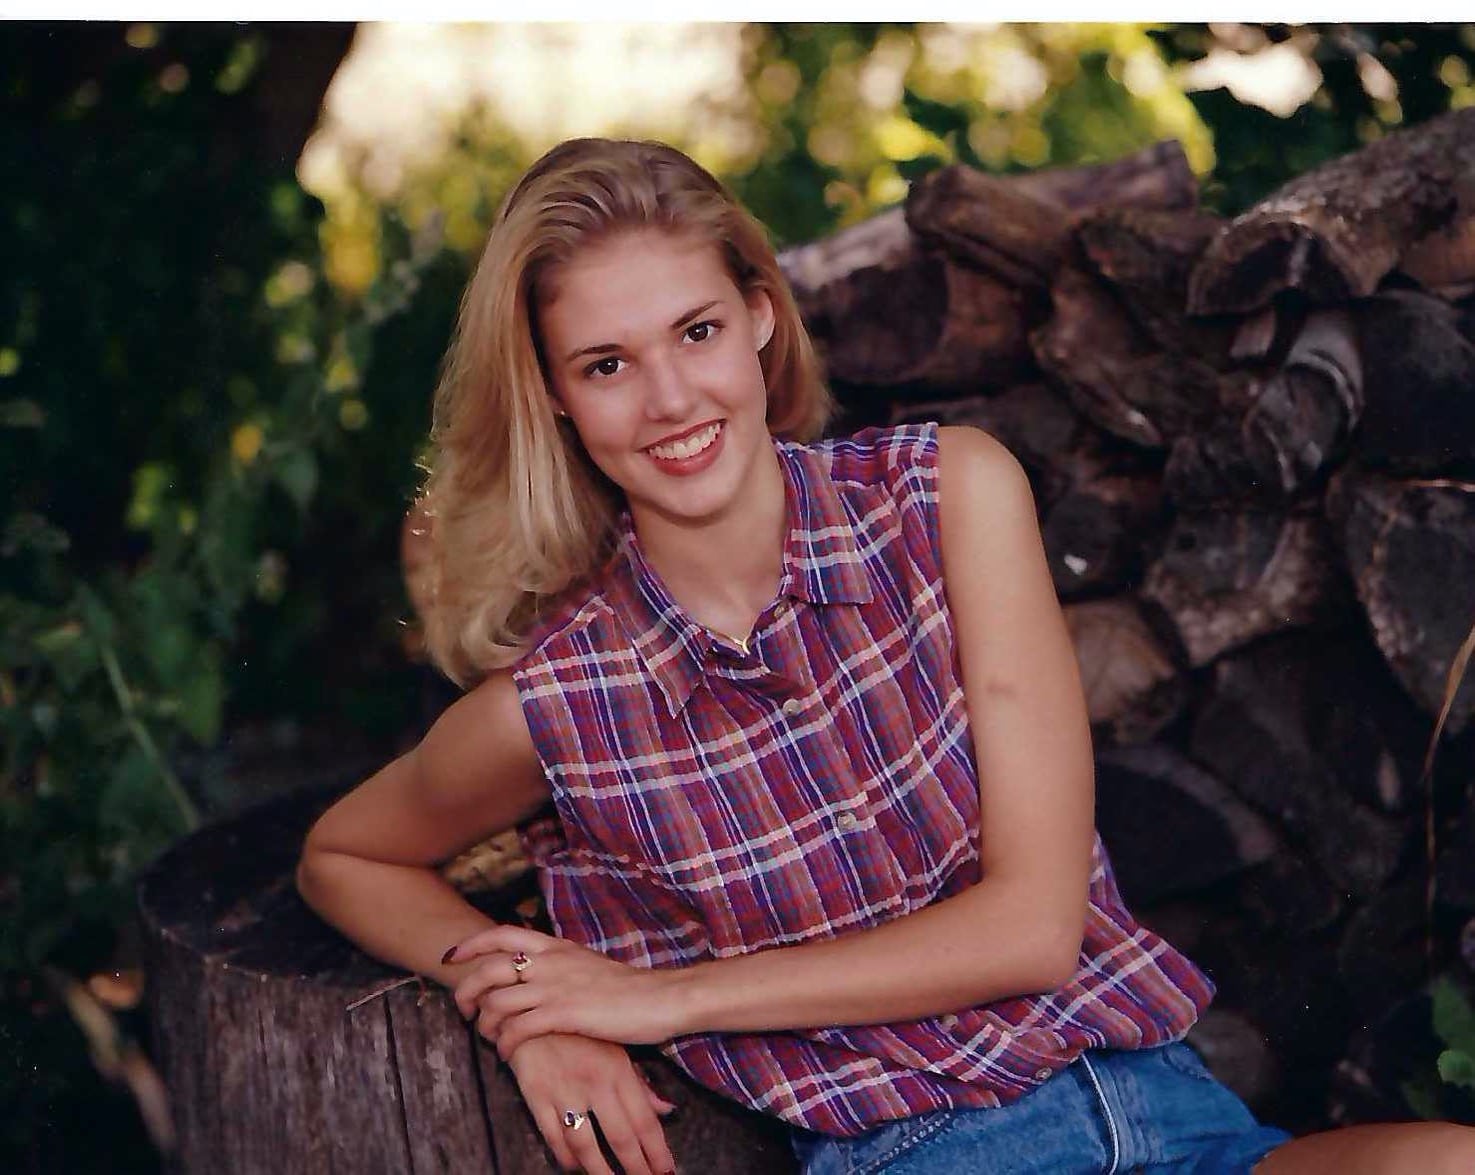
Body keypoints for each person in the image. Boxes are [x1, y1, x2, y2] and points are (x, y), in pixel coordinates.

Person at [296, 138, 1475, 1175]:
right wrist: (525, 1007)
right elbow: (344, 854)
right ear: (552, 395)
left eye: (696, 331)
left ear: (760, 315)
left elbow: (1030, 928)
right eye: (605, 364)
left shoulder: (946, 495)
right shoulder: (564, 700)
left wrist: (652, 998)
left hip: (1176, 1115)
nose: (668, 397)